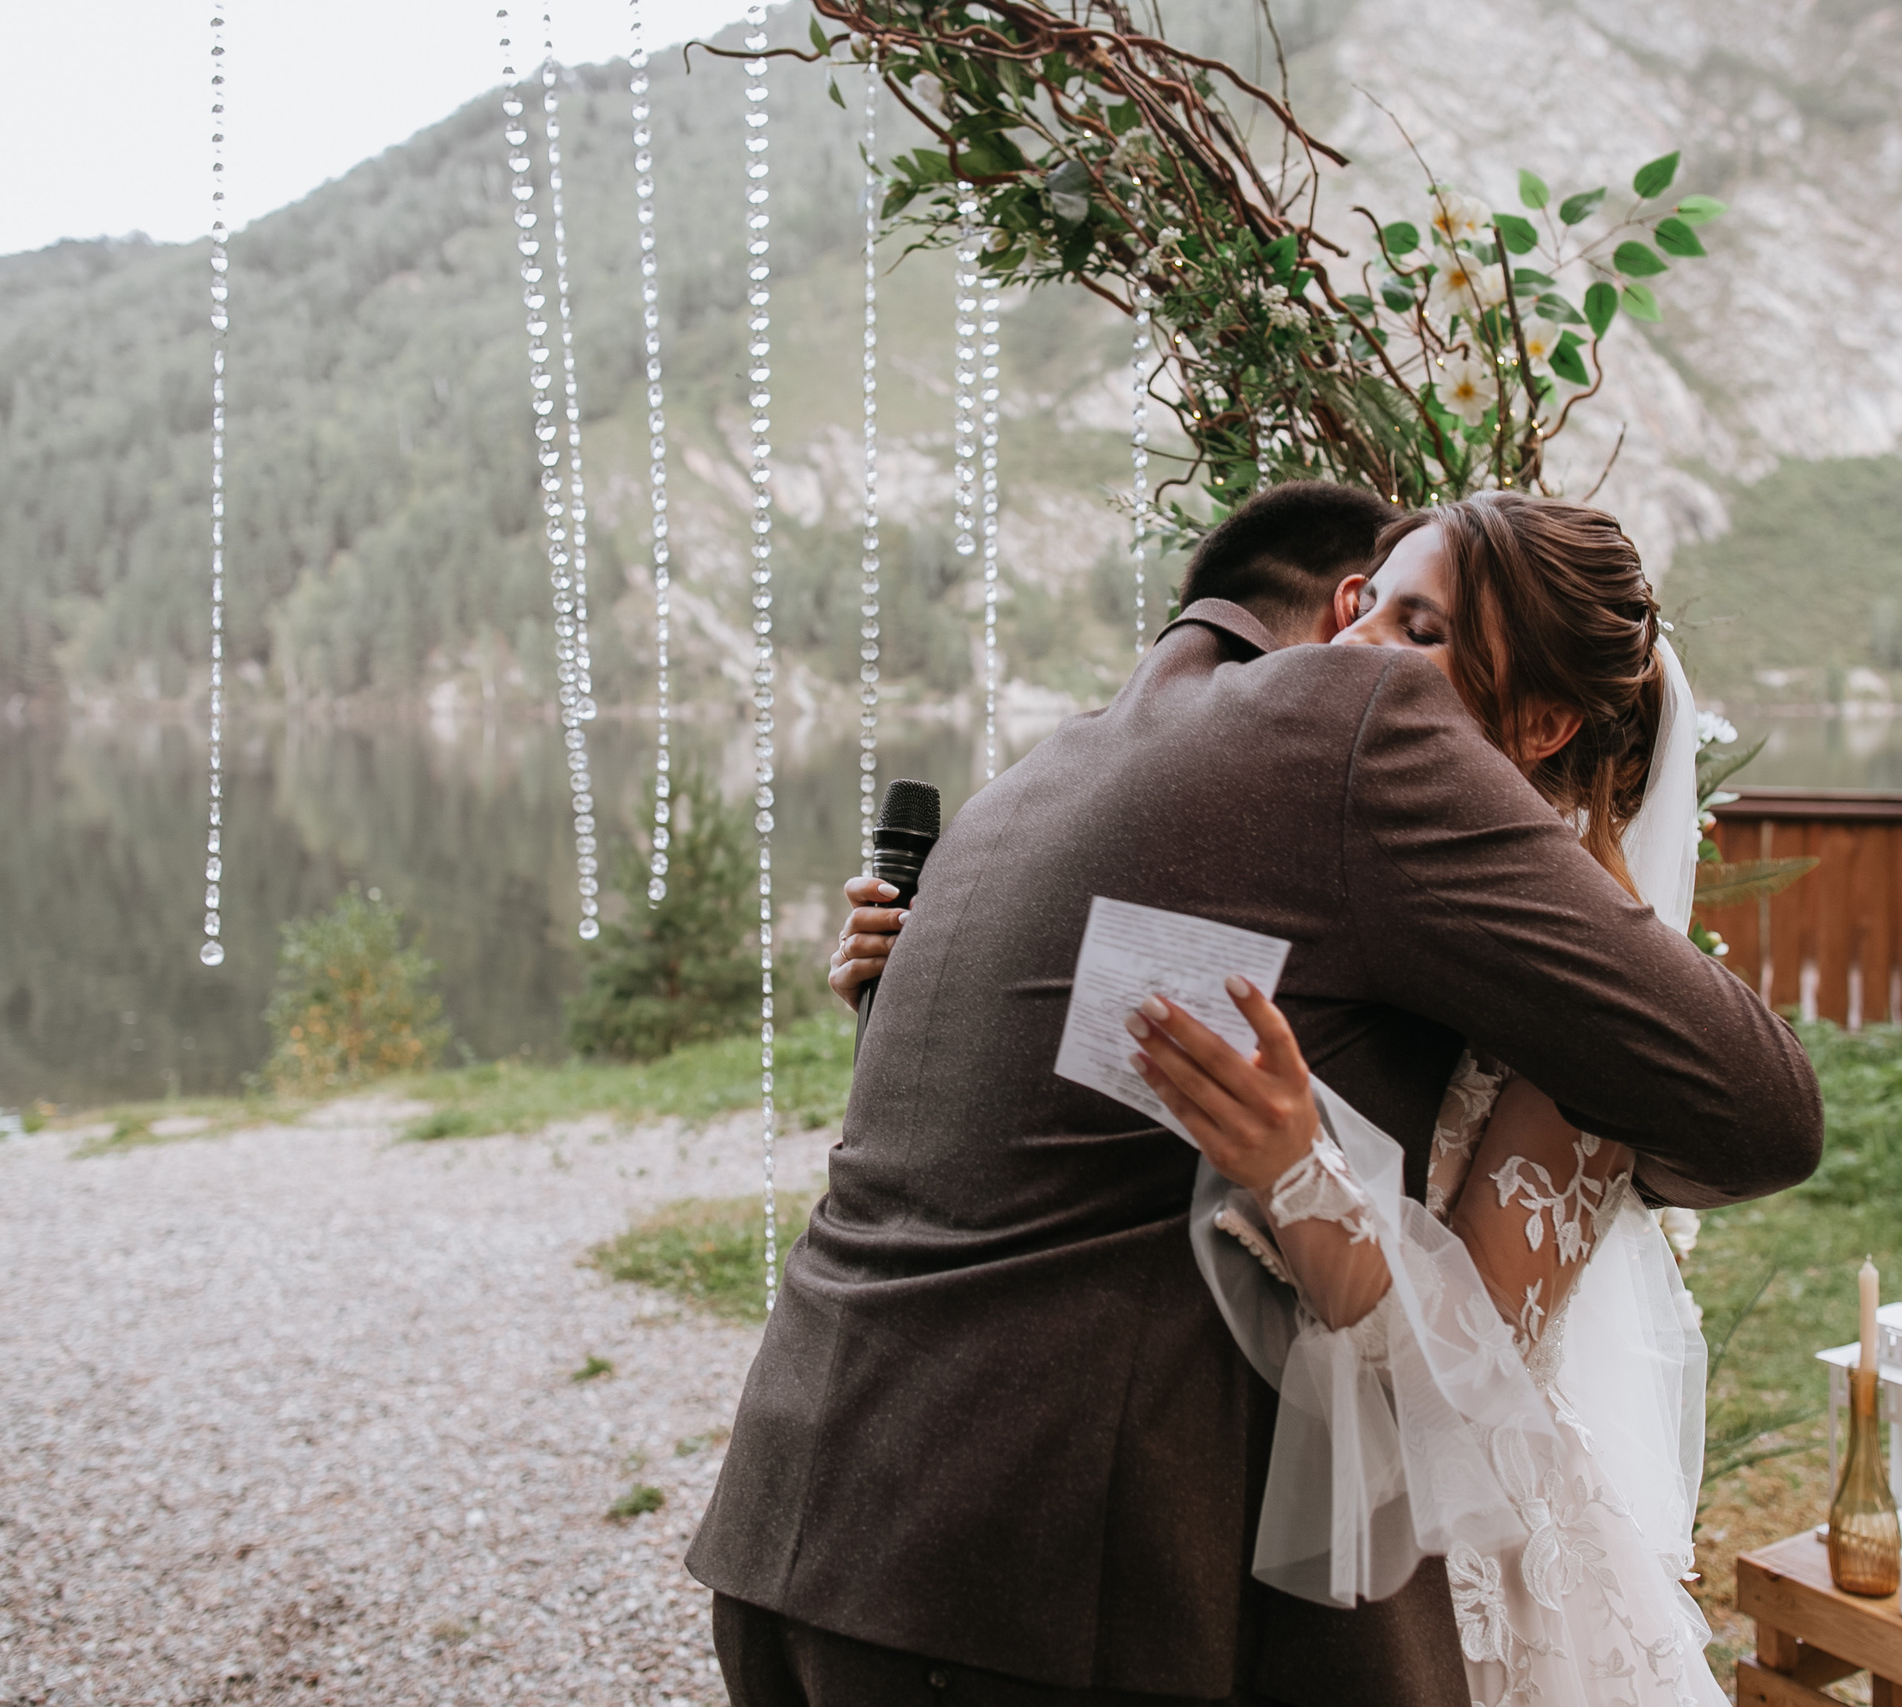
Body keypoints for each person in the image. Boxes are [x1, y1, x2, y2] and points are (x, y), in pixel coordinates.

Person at [697, 478, 1821, 1707]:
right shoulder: (1337, 841)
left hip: (818, 1511)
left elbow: (1483, 1337)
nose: (1355, 657)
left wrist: (1302, 1173)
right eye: (1362, 611)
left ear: (1548, 725)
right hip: (1045, 1580)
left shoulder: (1075, 762)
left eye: (1418, 630)